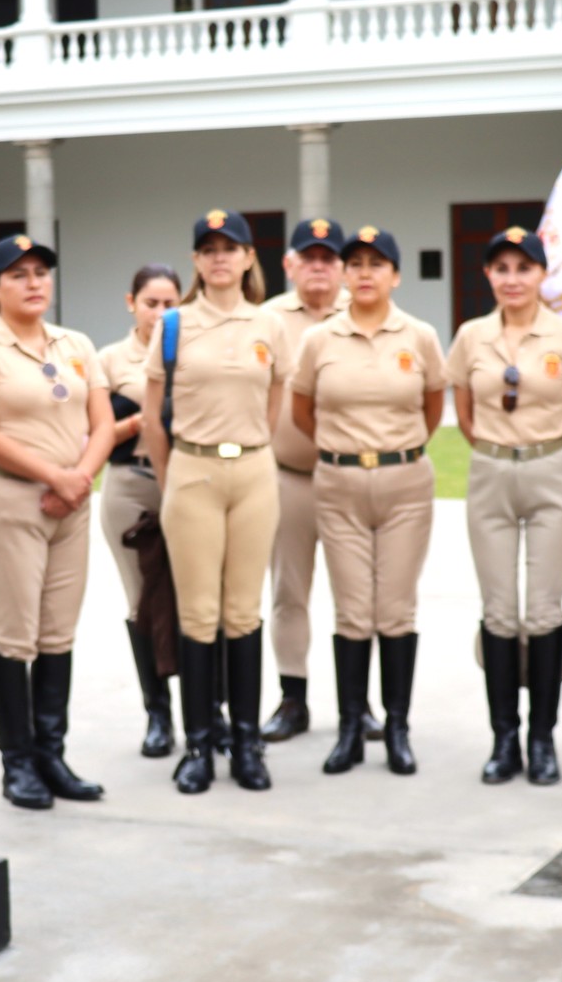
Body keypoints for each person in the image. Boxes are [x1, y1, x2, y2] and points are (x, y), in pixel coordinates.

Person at [0, 235, 116, 810]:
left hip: (71, 503)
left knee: (58, 632)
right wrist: (56, 478)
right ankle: (17, 764)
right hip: (12, 501)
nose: (34, 282)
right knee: (16, 634)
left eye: (41, 272)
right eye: (18, 275)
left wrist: (79, 480)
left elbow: (103, 423)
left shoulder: (76, 343)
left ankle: (51, 756)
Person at [141, 209, 291, 794]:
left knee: (244, 612)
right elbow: (152, 417)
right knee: (199, 614)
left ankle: (247, 743)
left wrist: (251, 447)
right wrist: (171, 479)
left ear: (249, 257)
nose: (220, 257)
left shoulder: (269, 323)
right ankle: (199, 744)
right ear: (196, 260)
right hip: (193, 470)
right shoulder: (174, 324)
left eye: (231, 248)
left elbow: (274, 402)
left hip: (252, 469)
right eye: (208, 249)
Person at [290, 225, 446, 775]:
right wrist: (345, 449)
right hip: (339, 484)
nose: (363, 273)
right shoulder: (320, 340)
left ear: (395, 275)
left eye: (376, 264)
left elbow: (433, 406)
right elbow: (302, 410)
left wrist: (395, 447)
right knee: (353, 610)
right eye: (354, 264)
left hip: (405, 484)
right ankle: (351, 729)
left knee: (396, 608)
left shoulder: (419, 336)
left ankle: (397, 729)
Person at [447, 226, 562, 786]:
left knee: (542, 611)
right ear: (489, 275)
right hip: (490, 471)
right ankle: (504, 738)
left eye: (524, 268)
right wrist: (498, 449)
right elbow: (465, 413)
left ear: (542, 274)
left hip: (549, 470)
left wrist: (540, 450)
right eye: (502, 268)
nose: (513, 279)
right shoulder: (471, 336)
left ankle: (542, 738)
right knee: (499, 610)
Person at [259, 219, 344, 742]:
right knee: (289, 593)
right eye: (308, 257)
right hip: (287, 478)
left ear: (341, 267)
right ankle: (293, 699)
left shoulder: (362, 313)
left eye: (327, 258)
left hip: (348, 477)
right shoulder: (267, 319)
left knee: (359, 598)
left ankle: (360, 705)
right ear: (289, 264)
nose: (318, 267)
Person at [98, 263, 184, 756]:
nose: (161, 313)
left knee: (198, 600)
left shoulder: (194, 350)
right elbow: (93, 435)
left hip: (191, 483)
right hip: (132, 483)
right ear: (132, 304)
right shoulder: (110, 360)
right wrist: (142, 421)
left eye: (171, 304)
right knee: (142, 599)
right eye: (151, 303)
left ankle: (205, 711)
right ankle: (158, 715)